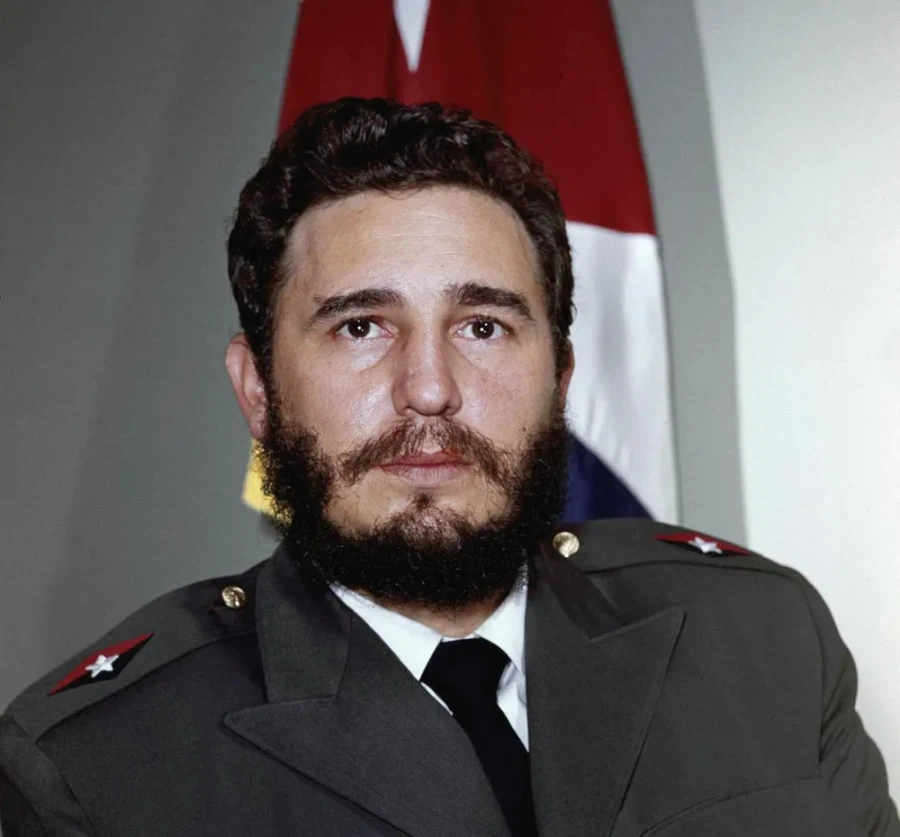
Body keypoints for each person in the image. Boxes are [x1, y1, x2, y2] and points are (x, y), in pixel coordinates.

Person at [1, 97, 897, 837]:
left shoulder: (765, 642)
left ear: (560, 379)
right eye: (360, 326)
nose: (429, 387)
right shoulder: (95, 768)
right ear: (259, 390)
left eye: (483, 326)